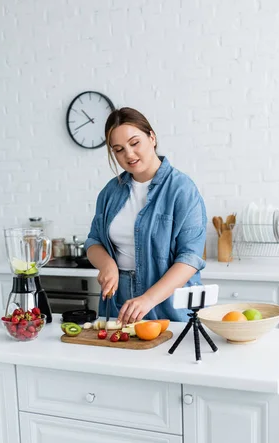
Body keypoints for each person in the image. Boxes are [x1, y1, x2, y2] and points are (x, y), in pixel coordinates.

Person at [85, 107, 207, 325]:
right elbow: (94, 241)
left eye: (135, 143)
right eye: (119, 149)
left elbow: (190, 259)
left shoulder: (182, 189)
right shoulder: (110, 192)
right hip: (118, 306)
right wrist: (107, 264)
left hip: (168, 308)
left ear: (152, 137)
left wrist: (148, 299)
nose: (129, 155)